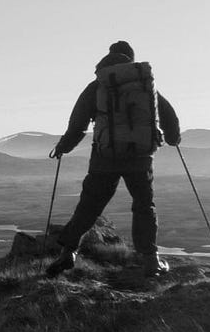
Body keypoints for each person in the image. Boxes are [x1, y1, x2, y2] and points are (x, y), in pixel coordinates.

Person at [45, 40, 181, 277]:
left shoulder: (98, 85)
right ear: (131, 58)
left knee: (89, 205)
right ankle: (150, 260)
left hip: (104, 157)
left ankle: (68, 253)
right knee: (144, 206)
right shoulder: (146, 85)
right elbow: (169, 116)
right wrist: (173, 138)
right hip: (140, 157)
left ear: (109, 57)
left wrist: (64, 147)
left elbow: (78, 124)